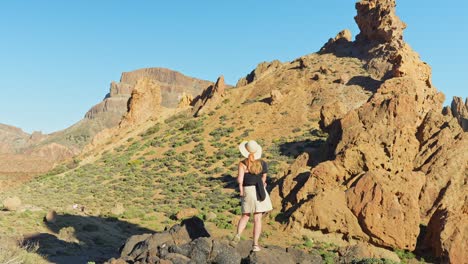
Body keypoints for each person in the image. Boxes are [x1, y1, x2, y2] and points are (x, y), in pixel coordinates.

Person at [232, 140, 273, 252]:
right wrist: (263, 184)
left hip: (247, 190)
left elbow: (240, 179)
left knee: (245, 215)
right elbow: (264, 177)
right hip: (258, 189)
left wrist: (241, 190)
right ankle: (255, 244)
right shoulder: (262, 163)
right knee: (257, 218)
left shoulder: (242, 163)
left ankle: (238, 235)